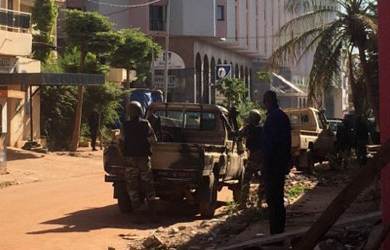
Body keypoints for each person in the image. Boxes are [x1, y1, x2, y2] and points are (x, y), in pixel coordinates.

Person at [262, 91, 291, 235]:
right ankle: (279, 231)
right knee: (278, 199)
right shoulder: (283, 117)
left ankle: (275, 233)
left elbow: (269, 145)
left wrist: (265, 165)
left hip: (273, 165)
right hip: (280, 164)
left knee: (273, 200)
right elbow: (287, 143)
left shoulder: (272, 118)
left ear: (267, 102)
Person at [119, 101, 157, 211]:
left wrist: (124, 156)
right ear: (140, 111)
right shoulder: (145, 124)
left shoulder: (125, 126)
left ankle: (135, 206)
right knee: (148, 182)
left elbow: (121, 142)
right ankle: (151, 205)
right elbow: (153, 141)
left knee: (132, 184)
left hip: (129, 158)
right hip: (143, 158)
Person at [239, 109, 264, 208]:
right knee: (262, 179)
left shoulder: (248, 128)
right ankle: (260, 202)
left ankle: (243, 202)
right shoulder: (262, 129)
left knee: (246, 179)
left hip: (253, 157)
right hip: (261, 158)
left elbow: (238, 134)